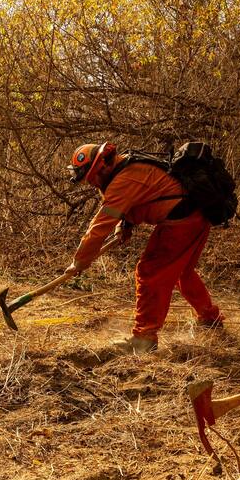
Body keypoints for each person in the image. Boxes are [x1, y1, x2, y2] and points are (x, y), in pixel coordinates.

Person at [66, 142, 223, 354]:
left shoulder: (124, 179)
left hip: (182, 221)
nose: (91, 183)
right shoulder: (128, 168)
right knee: (182, 273)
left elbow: (99, 228)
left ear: (100, 168)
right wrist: (125, 225)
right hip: (197, 215)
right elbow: (141, 199)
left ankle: (144, 338)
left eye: (90, 177)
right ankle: (209, 319)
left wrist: (80, 261)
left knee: (149, 273)